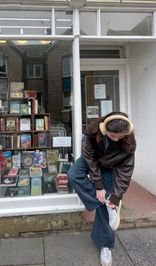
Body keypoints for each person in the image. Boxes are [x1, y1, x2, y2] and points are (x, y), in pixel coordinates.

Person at [67, 112, 136, 266]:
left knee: (107, 206)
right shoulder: (92, 132)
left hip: (110, 166)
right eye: (113, 136)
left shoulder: (129, 141)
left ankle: (105, 245)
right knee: (73, 175)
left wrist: (116, 197)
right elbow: (89, 158)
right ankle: (106, 202)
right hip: (92, 161)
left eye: (121, 136)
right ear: (104, 129)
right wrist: (98, 187)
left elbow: (126, 171)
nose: (117, 139)